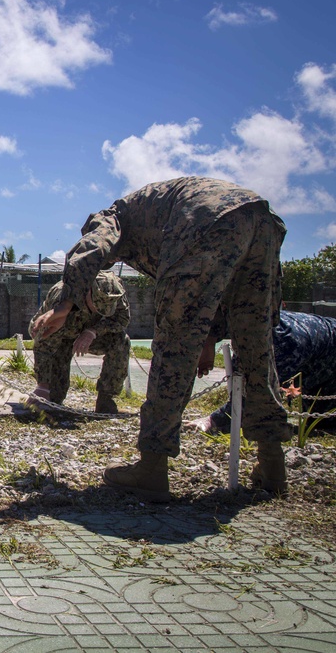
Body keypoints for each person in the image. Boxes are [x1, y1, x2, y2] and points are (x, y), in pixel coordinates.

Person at [31, 176, 289, 501]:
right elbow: (217, 287)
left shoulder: (112, 217)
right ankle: (272, 465)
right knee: (257, 347)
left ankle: (151, 468)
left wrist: (64, 305)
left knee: (172, 351)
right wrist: (208, 339)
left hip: (201, 218)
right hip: (260, 218)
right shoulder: (151, 206)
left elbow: (90, 249)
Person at [190, 310, 336, 433]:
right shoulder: (250, 327)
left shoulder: (282, 345)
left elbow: (254, 394)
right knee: (318, 424)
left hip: (324, 350)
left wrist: (213, 421)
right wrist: (209, 341)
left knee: (323, 423)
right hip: (317, 350)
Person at [29, 271, 130, 414]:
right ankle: (50, 394)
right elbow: (43, 342)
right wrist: (43, 385)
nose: (100, 311)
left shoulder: (117, 290)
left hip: (91, 333)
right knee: (52, 399)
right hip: (60, 336)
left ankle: (106, 399)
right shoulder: (61, 296)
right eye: (97, 305)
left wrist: (92, 332)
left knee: (121, 340)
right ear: (88, 292)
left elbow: (122, 320)